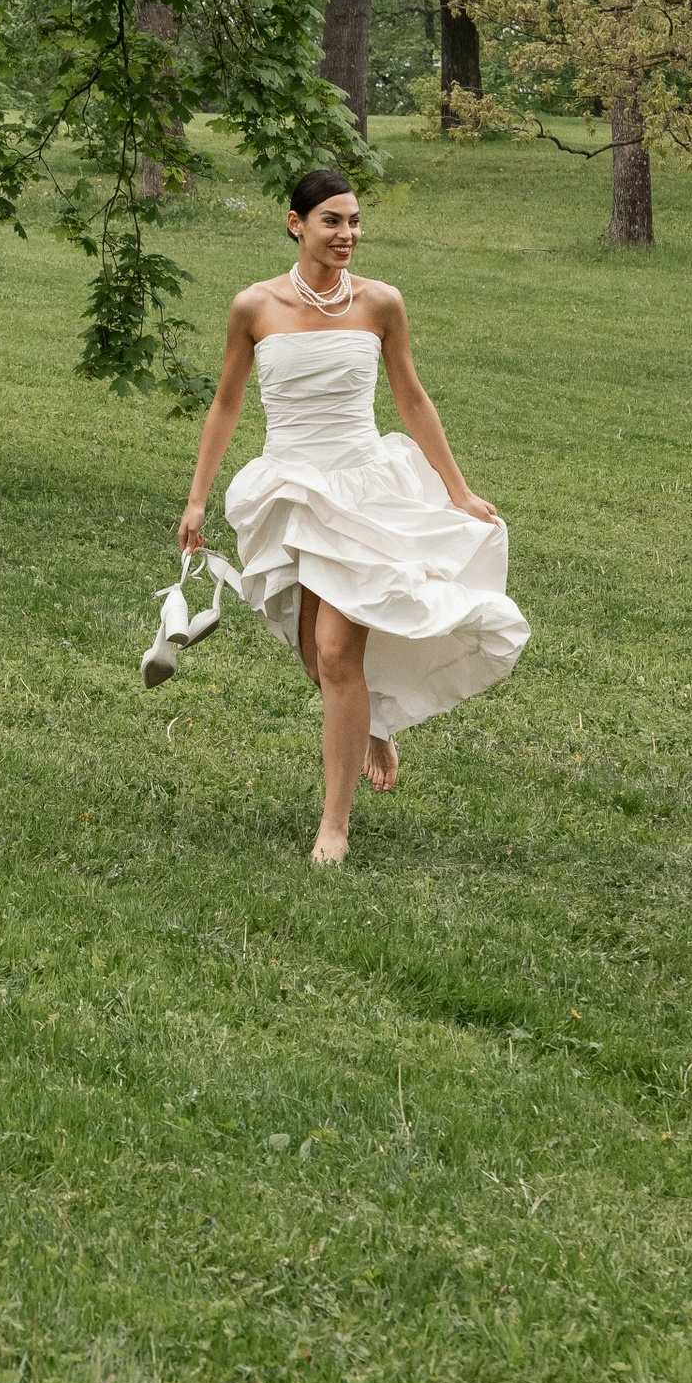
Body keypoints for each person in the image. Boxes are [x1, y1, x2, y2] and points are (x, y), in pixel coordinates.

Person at [178, 167, 528, 863]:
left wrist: (457, 491)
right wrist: (195, 498)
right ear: (295, 223)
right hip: (290, 490)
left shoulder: (381, 304)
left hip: (364, 487)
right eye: (332, 221)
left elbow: (412, 398)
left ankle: (333, 827)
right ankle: (370, 721)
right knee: (316, 654)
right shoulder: (253, 307)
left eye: (355, 221)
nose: (348, 234)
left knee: (339, 653)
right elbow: (226, 404)